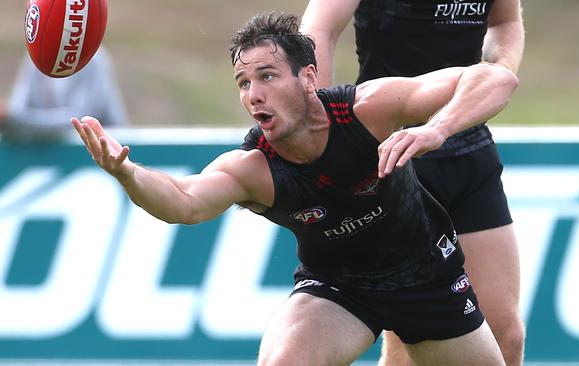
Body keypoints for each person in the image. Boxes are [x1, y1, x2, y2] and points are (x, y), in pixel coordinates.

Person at [72, 12, 518, 365]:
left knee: (506, 343)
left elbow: (497, 78)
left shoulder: (367, 110)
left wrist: (435, 129)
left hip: (428, 280)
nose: (253, 94)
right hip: (341, 290)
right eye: (244, 83)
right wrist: (127, 173)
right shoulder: (254, 168)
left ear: (308, 78)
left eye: (267, 76)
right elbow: (185, 203)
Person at [300, 0, 526, 364]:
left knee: (505, 336)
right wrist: (322, 138)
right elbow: (318, 31)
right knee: (411, 344)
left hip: (468, 148)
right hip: (390, 153)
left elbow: (505, 22)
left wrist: (497, 70)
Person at [0, 47, 128, 143]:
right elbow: (18, 111)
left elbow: (81, 122)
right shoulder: (34, 57)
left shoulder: (92, 58)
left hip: (102, 163)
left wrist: (13, 118)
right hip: (52, 158)